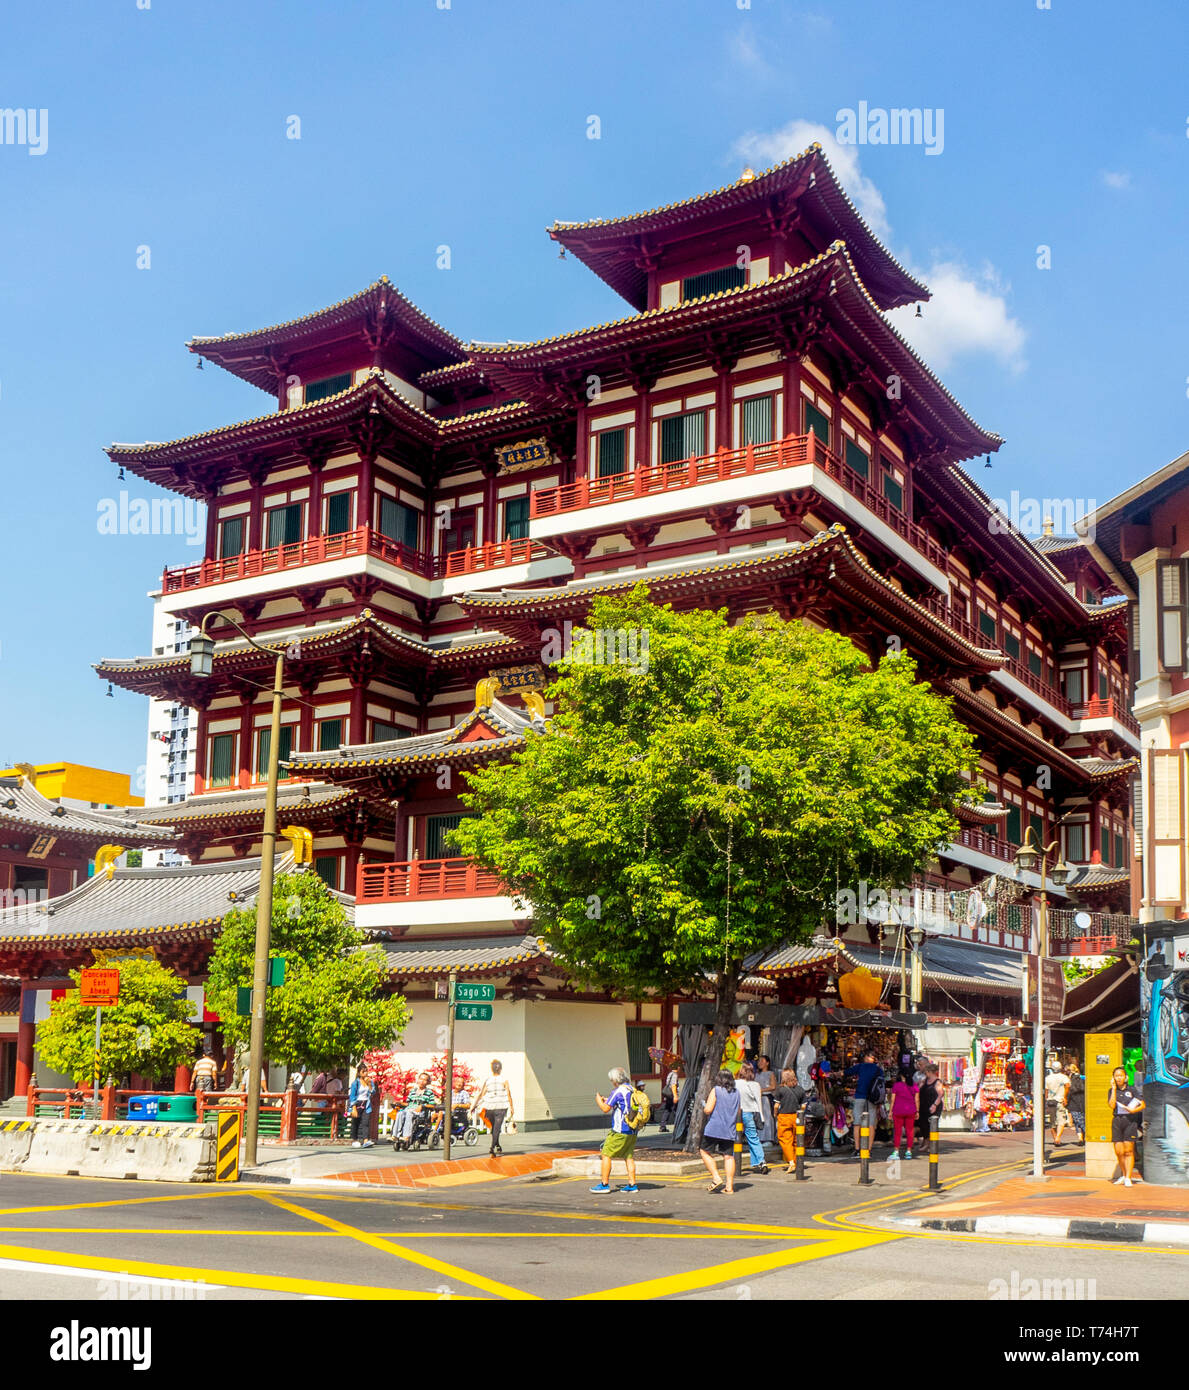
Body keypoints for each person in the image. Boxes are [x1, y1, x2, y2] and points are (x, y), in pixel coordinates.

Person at [590, 1066, 641, 1194]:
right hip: (633, 1129)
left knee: (606, 1154)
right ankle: (632, 1184)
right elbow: (621, 1104)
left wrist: (598, 1100)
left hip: (620, 1130)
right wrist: (608, 1100)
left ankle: (604, 1184)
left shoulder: (617, 1091)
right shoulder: (632, 1089)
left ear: (615, 1080)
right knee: (628, 1156)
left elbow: (605, 1109)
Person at [699, 1068, 742, 1194]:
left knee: (704, 1151)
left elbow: (707, 1110)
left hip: (714, 1127)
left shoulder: (716, 1090)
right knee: (728, 1156)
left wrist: (704, 1104)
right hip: (730, 1129)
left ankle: (716, 1177)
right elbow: (738, 1110)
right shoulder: (736, 1092)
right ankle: (729, 1186)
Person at [1108, 1065, 1145, 1187]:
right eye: (1116, 1076)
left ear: (1125, 1077)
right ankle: (1123, 1175)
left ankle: (1128, 1177)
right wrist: (1113, 1089)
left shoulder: (1132, 1090)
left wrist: (1134, 1110)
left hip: (1130, 1121)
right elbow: (1112, 1105)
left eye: (1121, 1075)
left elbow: (1142, 1104)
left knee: (1129, 1150)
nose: (1118, 1078)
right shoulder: (1111, 1090)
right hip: (1117, 1121)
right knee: (1119, 1151)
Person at [470, 1059, 514, 1156]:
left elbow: (482, 1094)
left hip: (489, 1106)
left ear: (491, 1069)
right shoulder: (504, 1079)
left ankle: (497, 1145)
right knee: (496, 1128)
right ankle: (492, 1147)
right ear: (501, 1068)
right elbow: (508, 1093)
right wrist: (511, 1107)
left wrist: (474, 1105)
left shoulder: (488, 1080)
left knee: (494, 1128)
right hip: (501, 1106)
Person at [846, 1050, 883, 1157]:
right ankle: (868, 1150)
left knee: (857, 1123)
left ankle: (857, 1149)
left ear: (866, 1057)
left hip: (860, 1096)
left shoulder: (860, 1066)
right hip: (872, 1099)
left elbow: (847, 1072)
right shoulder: (878, 1069)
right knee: (871, 1124)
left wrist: (836, 1074)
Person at [736, 1062, 769, 1174]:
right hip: (752, 1113)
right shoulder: (756, 1085)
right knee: (753, 1138)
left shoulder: (736, 1083)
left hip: (738, 1113)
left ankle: (734, 1162)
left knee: (735, 1138)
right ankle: (761, 1161)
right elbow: (758, 1102)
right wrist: (762, 1117)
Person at [773, 1068, 807, 1172]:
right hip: (797, 1117)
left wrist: (775, 1114)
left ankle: (791, 1162)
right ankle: (797, 1162)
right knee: (798, 1140)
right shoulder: (800, 1089)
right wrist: (799, 1113)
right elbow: (804, 1106)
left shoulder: (780, 1089)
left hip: (784, 1117)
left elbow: (776, 1105)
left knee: (785, 1140)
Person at [393, 1070, 436, 1146]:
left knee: (409, 1114)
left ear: (428, 1082)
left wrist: (423, 1106)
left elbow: (432, 1105)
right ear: (418, 1080)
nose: (422, 1081)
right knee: (400, 1113)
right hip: (409, 1109)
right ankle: (396, 1135)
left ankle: (406, 1136)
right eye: (421, 1079)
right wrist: (399, 1103)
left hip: (421, 1112)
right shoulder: (413, 1091)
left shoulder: (429, 1092)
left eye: (424, 1080)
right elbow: (408, 1103)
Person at [890, 1073, 920, 1159]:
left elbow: (893, 1099)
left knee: (897, 1132)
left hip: (898, 1110)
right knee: (909, 1131)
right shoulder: (914, 1085)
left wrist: (890, 1111)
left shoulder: (896, 1085)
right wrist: (917, 1111)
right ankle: (909, 1151)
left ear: (901, 1076)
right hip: (911, 1111)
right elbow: (917, 1099)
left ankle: (896, 1151)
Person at [347, 1063, 376, 1148]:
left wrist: (370, 1085)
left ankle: (366, 1140)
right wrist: (354, 1108)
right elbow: (352, 1096)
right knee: (355, 1122)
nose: (365, 1073)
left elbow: (373, 1092)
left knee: (365, 1122)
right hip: (357, 1103)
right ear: (359, 1073)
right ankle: (354, 1139)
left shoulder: (369, 1081)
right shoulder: (355, 1083)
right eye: (363, 1072)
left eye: (366, 1071)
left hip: (366, 1103)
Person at [754, 1054, 778, 1144]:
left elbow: (773, 1086)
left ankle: (769, 1138)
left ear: (767, 1063)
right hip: (757, 1098)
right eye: (759, 1061)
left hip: (766, 1098)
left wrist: (761, 1090)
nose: (759, 1063)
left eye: (762, 1061)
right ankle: (759, 1138)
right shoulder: (756, 1074)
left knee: (767, 1118)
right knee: (758, 1118)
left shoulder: (770, 1074)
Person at [1045, 1060, 1070, 1143]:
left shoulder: (1048, 1078)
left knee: (1052, 1121)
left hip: (1050, 1101)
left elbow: (1046, 1090)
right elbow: (1067, 1086)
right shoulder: (1064, 1077)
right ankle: (1058, 1137)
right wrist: (1065, 1097)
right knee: (1061, 1120)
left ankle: (1055, 1137)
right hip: (1060, 1100)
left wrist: (1046, 1099)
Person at [917, 1065, 943, 1147]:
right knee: (923, 1124)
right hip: (923, 1105)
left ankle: (931, 1145)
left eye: (926, 1072)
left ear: (930, 1072)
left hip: (933, 1105)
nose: (925, 1074)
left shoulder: (937, 1082)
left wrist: (934, 1105)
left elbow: (940, 1094)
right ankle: (926, 1142)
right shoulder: (925, 1081)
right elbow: (918, 1089)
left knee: (932, 1125)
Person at [1066, 1059, 1085, 1144]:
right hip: (1083, 1103)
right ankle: (1083, 1137)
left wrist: (1066, 1101)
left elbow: (1069, 1092)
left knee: (1078, 1122)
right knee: (1082, 1120)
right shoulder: (1083, 1078)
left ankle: (1080, 1138)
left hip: (1074, 1103)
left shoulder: (1071, 1080)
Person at [658, 1065, 680, 1132]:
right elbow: (673, 1085)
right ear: (677, 1067)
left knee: (667, 1110)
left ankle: (662, 1126)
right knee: (677, 1111)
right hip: (672, 1095)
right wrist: (675, 1096)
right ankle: (678, 1126)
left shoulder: (670, 1074)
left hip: (668, 1095)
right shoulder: (674, 1075)